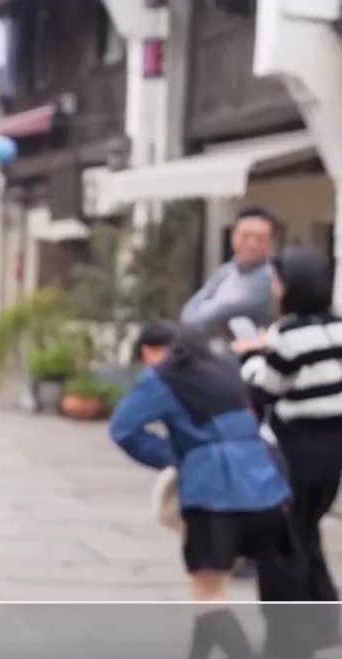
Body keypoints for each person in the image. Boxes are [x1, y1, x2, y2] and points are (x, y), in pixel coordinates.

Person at [109, 320, 292, 659]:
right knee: (209, 588)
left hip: (213, 491)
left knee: (209, 594)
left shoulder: (162, 379)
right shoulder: (225, 372)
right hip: (265, 486)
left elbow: (123, 429)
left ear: (152, 351)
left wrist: (174, 456)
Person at [235, 246, 342, 649]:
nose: (273, 289)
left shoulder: (289, 335)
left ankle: (289, 635)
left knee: (282, 540)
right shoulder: (338, 328)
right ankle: (325, 619)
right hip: (334, 446)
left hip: (297, 446)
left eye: (277, 282)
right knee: (306, 531)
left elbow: (266, 387)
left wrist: (250, 358)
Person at [180, 206, 278, 337]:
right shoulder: (225, 271)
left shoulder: (270, 279)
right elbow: (188, 311)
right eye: (245, 236)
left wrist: (205, 309)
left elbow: (220, 313)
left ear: (270, 243)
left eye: (260, 238)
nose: (252, 244)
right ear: (234, 236)